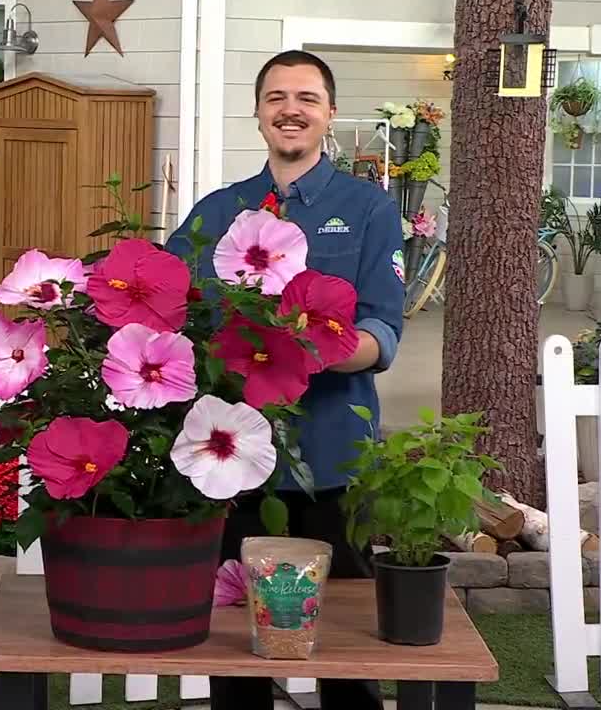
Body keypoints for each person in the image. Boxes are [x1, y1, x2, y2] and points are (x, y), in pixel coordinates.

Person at [163, 50, 405, 710]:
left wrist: (303, 349)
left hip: (331, 454)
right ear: (259, 113)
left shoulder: (367, 211)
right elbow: (166, 298)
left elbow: (382, 334)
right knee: (236, 640)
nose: (289, 109)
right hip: (236, 458)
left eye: (305, 97)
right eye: (276, 97)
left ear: (328, 114)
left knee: (346, 640)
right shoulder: (219, 211)